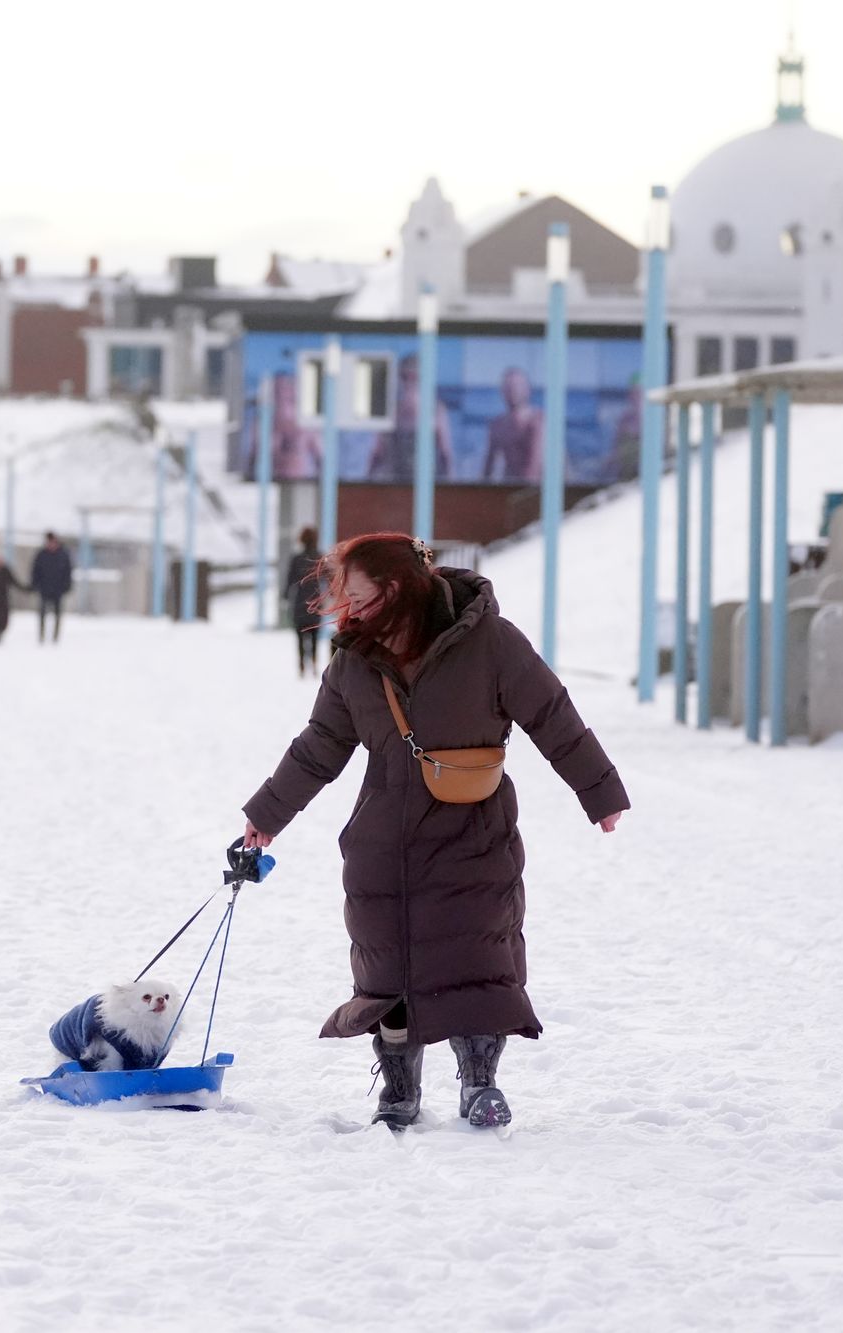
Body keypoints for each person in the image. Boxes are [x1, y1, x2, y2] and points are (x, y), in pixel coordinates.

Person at [238, 533, 628, 1132]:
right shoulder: (354, 662)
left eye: (358, 596)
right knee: (386, 966)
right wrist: (267, 815)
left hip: (474, 829)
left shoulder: (491, 642)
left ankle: (480, 1082)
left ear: (396, 589)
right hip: (383, 838)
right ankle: (397, 1085)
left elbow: (553, 715)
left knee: (477, 955)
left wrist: (598, 790)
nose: (347, 609)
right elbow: (319, 746)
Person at [362, 353, 453, 482]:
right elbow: (377, 453)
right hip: (393, 484)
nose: (410, 382)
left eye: (415, 377)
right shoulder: (391, 410)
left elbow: (445, 454)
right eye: (405, 377)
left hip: (425, 484)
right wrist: (367, 482)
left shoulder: (436, 410)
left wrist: (450, 489)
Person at [482, 367, 544, 483]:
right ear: (502, 391)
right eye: (508, 387)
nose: (512, 391)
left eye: (517, 386)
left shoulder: (538, 421)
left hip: (537, 490)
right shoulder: (497, 425)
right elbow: (487, 468)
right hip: (510, 487)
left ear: (527, 389)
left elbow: (533, 468)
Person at [286, 525, 324, 677]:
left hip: (300, 602)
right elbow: (328, 578)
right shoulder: (320, 557)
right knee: (315, 635)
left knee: (300, 636)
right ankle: (314, 662)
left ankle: (301, 665)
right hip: (315, 601)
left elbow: (290, 580)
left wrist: (285, 596)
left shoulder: (296, 559)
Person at [29, 532, 73, 644]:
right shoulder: (41, 554)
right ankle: (42, 636)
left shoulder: (63, 555)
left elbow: (68, 572)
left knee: (57, 614)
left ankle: (55, 637)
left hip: (58, 590)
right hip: (44, 589)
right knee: (42, 614)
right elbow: (35, 571)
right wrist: (35, 585)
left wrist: (67, 586)